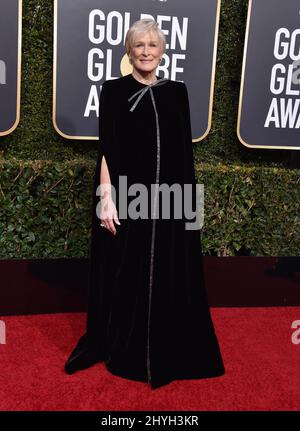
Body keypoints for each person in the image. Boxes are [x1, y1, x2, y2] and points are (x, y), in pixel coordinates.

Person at [64, 18, 225, 389]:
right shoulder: (114, 91)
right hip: (129, 199)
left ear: (162, 50)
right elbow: (107, 149)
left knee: (168, 270)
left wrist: (187, 208)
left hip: (169, 202)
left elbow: (185, 155)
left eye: (153, 45)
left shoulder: (177, 92)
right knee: (126, 271)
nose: (147, 51)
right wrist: (106, 198)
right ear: (129, 51)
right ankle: (127, 346)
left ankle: (169, 346)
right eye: (139, 45)